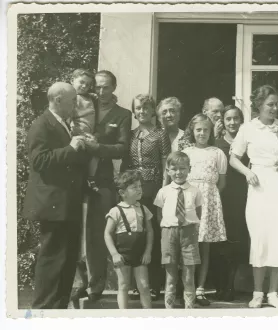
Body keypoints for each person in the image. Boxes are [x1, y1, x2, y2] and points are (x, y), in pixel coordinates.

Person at [23, 82, 88, 309]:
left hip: (67, 204)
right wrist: (71, 148)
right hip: (53, 205)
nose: (75, 105)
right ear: (58, 100)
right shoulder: (41, 124)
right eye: (72, 100)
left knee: (67, 260)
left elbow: (66, 164)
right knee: (52, 260)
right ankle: (41, 312)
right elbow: (39, 161)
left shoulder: (64, 125)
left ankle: (58, 311)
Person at [230, 85, 278, 309]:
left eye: (277, 104)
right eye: (269, 104)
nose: (274, 108)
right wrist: (248, 172)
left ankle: (274, 293)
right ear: (258, 105)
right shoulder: (248, 129)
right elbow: (234, 158)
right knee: (260, 237)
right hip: (259, 185)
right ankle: (258, 292)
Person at [72, 70, 132, 302]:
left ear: (114, 88)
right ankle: (79, 282)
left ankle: (96, 286)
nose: (100, 91)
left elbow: (121, 148)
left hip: (103, 180)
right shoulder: (85, 106)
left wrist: (97, 147)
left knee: (99, 233)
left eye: (105, 87)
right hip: (78, 177)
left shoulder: (123, 114)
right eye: (97, 86)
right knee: (77, 232)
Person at [121, 93, 171, 300]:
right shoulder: (130, 134)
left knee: (154, 234)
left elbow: (166, 161)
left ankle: (154, 284)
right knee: (136, 232)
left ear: (152, 111)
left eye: (146, 108)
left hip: (153, 186)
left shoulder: (160, 134)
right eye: (138, 108)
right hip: (135, 187)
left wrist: (163, 188)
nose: (142, 111)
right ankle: (136, 284)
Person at [182, 114, 228, 306]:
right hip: (188, 200)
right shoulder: (187, 151)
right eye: (198, 130)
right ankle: (186, 287)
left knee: (205, 246)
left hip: (209, 201)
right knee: (186, 244)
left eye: (206, 130)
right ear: (192, 131)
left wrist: (208, 197)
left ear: (211, 132)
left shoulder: (217, 153)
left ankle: (200, 289)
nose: (202, 133)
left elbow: (222, 183)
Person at [154, 151, 203, 309]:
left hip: (189, 232)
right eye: (174, 169)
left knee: (189, 273)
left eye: (182, 168)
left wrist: (190, 225)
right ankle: (169, 310)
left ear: (189, 169)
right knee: (170, 273)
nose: (178, 172)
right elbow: (159, 214)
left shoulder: (195, 191)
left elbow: (198, 211)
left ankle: (189, 309)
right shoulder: (164, 192)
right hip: (169, 233)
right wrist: (169, 224)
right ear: (168, 170)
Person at [214, 105, 250, 301]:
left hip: (242, 196)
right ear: (223, 121)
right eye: (228, 119)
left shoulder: (247, 143)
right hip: (222, 196)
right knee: (221, 242)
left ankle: (231, 286)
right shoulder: (217, 143)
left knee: (237, 241)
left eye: (236, 118)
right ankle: (220, 285)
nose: (232, 122)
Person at [104, 170, 153, 309]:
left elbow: (150, 231)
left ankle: (148, 316)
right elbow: (107, 233)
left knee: (144, 285)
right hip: (122, 254)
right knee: (123, 285)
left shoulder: (143, 209)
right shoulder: (115, 211)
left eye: (140, 186)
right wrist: (114, 254)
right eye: (134, 187)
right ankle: (124, 317)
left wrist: (147, 252)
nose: (139, 189)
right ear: (122, 193)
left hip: (140, 254)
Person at [69, 68, 100, 192]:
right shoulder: (71, 97)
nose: (84, 86)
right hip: (77, 132)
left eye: (87, 84)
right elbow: (68, 117)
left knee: (96, 153)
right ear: (72, 81)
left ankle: (91, 177)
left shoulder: (90, 98)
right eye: (81, 82)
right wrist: (74, 130)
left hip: (89, 133)